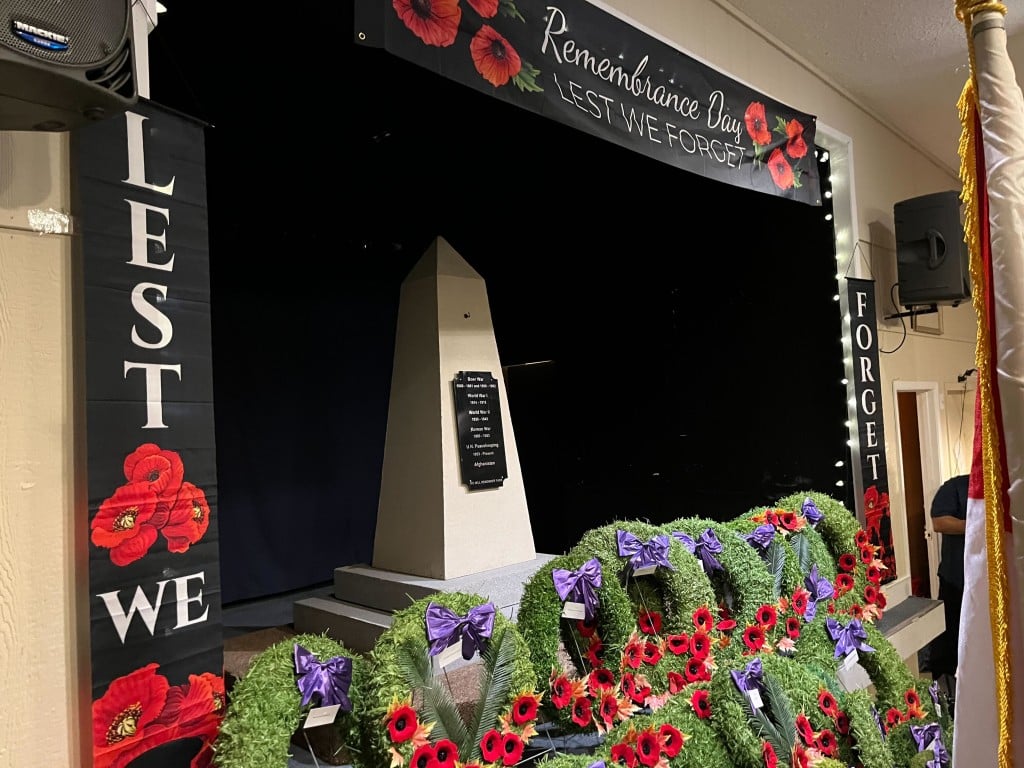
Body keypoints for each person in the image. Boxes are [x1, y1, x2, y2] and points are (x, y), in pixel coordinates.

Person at [928, 473, 969, 695]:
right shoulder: (955, 487)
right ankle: (946, 691)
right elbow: (939, 522)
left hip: (990, 582)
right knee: (950, 635)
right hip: (956, 578)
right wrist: (976, 525)